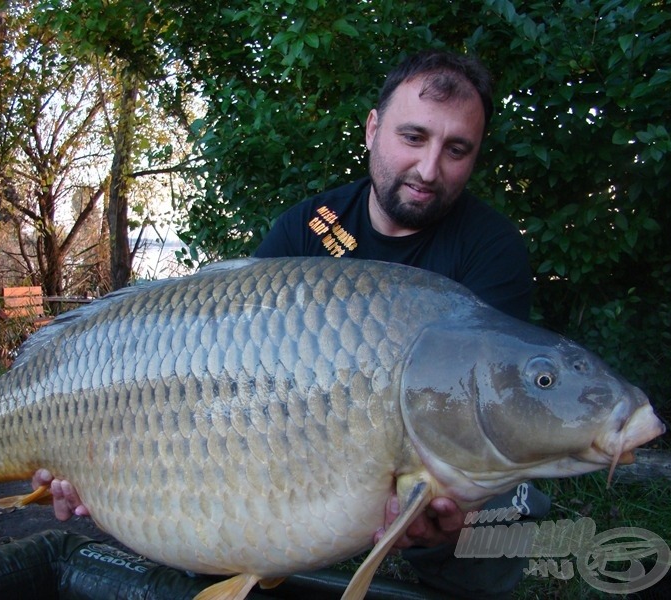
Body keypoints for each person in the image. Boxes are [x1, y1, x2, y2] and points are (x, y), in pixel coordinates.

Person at [35, 50, 549, 599]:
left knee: (493, 512)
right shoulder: (309, 225)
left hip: (418, 449)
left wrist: (454, 520)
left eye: (456, 149)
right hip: (295, 441)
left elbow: (489, 406)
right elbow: (222, 356)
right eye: (413, 137)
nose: (429, 169)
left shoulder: (491, 251)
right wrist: (90, 459)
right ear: (373, 130)